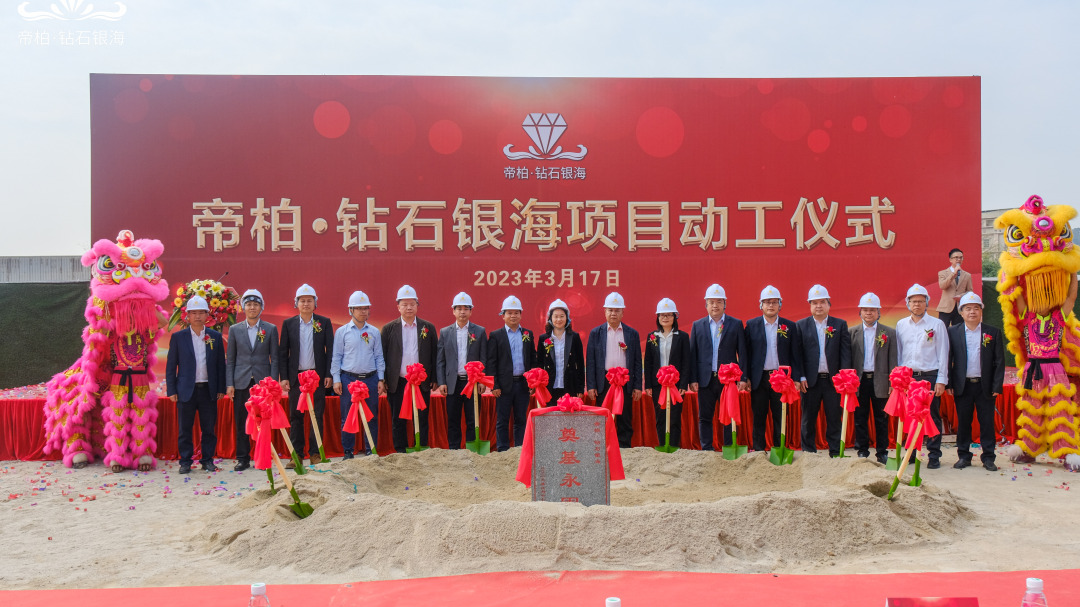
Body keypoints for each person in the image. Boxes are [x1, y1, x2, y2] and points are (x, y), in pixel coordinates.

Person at [165, 295, 226, 474]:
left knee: (209, 429)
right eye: (194, 313)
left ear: (207, 315)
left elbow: (220, 365)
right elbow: (171, 366)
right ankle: (185, 461)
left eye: (201, 312)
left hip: (208, 389)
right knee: (185, 429)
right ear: (187, 316)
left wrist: (221, 388)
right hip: (186, 390)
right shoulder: (178, 337)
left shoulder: (215, 336)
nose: (198, 316)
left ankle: (207, 460)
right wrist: (171, 390)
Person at [946, 293, 1005, 471]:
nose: (972, 312)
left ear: (981, 311)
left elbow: (999, 361)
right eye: (968, 308)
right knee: (964, 422)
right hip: (962, 385)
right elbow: (948, 359)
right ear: (961, 312)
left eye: (976, 308)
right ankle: (964, 456)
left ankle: (988, 457)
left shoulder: (992, 332)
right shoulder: (952, 332)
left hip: (985, 386)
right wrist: (949, 384)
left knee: (987, 423)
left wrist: (996, 385)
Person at [279, 284, 334, 466]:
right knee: (296, 416)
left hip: (317, 377)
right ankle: (297, 456)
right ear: (296, 303)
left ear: (315, 303)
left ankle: (315, 454)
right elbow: (283, 352)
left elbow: (330, 351)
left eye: (309, 300)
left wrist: (328, 374)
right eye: (302, 300)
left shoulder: (324, 322)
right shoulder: (289, 324)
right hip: (296, 377)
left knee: (316, 415)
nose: (306, 304)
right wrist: (284, 377)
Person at [896, 283, 950, 469]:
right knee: (911, 416)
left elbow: (943, 353)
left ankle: (934, 455)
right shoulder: (901, 325)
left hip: (930, 377)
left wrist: (941, 380)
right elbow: (899, 353)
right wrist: (900, 379)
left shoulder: (937, 324)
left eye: (920, 301)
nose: (917, 304)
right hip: (909, 379)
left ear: (927, 303)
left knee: (932, 416)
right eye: (913, 301)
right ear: (908, 303)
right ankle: (911, 453)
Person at [225, 289, 279, 471]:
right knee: (242, 421)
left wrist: (272, 384)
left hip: (262, 383)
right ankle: (242, 458)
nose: (252, 307)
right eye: (248, 304)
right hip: (241, 381)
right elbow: (231, 360)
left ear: (261, 307)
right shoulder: (234, 330)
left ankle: (263, 457)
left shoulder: (270, 329)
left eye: (256, 304)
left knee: (263, 421)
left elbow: (275, 359)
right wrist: (230, 383)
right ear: (243, 307)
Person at [689, 283, 747, 451]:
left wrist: (743, 377)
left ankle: (729, 447)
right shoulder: (698, 325)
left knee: (729, 416)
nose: (715, 305)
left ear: (725, 304)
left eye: (719, 302)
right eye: (711, 302)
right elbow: (693, 355)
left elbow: (742, 353)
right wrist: (693, 379)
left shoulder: (735, 324)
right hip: (705, 379)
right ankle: (706, 449)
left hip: (728, 380)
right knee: (705, 417)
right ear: (706, 304)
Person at [745, 286, 803, 452]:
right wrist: (746, 377)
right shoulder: (751, 325)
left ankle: (780, 450)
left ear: (780, 305)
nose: (770, 305)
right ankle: (758, 451)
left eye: (774, 302)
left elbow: (795, 355)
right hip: (759, 379)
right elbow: (746, 354)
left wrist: (796, 378)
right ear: (761, 305)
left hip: (782, 380)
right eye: (767, 302)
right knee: (759, 417)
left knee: (781, 416)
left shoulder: (789, 326)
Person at [381, 285, 438, 453]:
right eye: (404, 304)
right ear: (398, 307)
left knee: (421, 417)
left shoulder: (427, 327)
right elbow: (382, 356)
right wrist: (383, 379)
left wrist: (434, 378)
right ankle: (401, 451)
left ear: (417, 305)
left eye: (412, 304)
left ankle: (421, 448)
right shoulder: (388, 329)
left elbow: (435, 354)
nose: (409, 308)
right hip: (397, 382)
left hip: (421, 382)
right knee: (398, 418)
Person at [796, 285, 851, 456]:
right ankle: (808, 453)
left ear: (829, 304)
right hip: (809, 381)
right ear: (810, 305)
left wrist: (844, 378)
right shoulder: (801, 325)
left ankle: (835, 452)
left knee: (834, 418)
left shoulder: (839, 325)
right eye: (814, 303)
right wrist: (801, 376)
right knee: (808, 419)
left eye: (822, 302)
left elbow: (845, 354)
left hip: (833, 381)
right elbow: (797, 355)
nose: (818, 306)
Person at [331, 290, 385, 459]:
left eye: (366, 308)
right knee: (348, 417)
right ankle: (348, 451)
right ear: (351, 310)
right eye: (359, 308)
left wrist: (381, 378)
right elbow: (336, 357)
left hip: (370, 379)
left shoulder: (374, 332)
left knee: (371, 417)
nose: (363, 311)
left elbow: (379, 356)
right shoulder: (342, 332)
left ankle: (371, 450)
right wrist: (336, 379)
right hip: (348, 379)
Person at [586, 292, 643, 448]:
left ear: (623, 312)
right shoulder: (596, 333)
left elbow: (637, 362)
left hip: (625, 381)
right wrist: (591, 385)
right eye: (610, 310)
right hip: (604, 381)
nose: (613, 313)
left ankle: (624, 448)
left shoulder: (632, 334)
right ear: (604, 311)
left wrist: (638, 386)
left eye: (617, 310)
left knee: (625, 417)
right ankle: (603, 448)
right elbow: (590, 361)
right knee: (603, 416)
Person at [849, 292, 898, 464]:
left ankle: (882, 452)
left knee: (881, 419)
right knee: (860, 418)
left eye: (872, 310)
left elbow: (893, 359)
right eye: (865, 310)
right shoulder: (851, 332)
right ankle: (862, 450)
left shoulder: (889, 333)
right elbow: (848, 359)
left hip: (881, 381)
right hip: (859, 381)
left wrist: (892, 381)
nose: (868, 313)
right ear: (860, 312)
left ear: (878, 312)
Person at [436, 292, 488, 450]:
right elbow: (440, 360)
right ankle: (454, 451)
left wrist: (481, 381)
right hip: (453, 383)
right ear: (453, 311)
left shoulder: (479, 331)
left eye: (466, 309)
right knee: (453, 420)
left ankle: (472, 451)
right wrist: (441, 382)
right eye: (459, 308)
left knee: (473, 419)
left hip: (472, 383)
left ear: (471, 311)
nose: (462, 312)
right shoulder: (445, 332)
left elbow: (483, 358)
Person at [487, 295, 536, 451]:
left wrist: (533, 382)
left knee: (521, 419)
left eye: (516, 313)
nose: (513, 316)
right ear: (503, 315)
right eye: (509, 313)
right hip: (503, 386)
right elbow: (491, 362)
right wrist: (494, 385)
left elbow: (532, 359)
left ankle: (519, 449)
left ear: (521, 314)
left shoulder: (527, 334)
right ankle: (502, 449)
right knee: (502, 420)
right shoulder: (496, 335)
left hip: (523, 384)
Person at [644, 298, 692, 447]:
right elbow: (648, 362)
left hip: (676, 385)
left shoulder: (682, 337)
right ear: (658, 317)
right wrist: (648, 385)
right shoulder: (652, 336)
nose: (665, 318)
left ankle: (674, 446)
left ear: (675, 317)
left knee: (675, 417)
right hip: (658, 384)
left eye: (669, 315)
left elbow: (686, 362)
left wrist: (683, 384)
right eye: (662, 315)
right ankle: (663, 446)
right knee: (660, 417)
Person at [535, 298, 585, 405]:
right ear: (550, 318)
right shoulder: (544, 338)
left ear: (567, 318)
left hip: (570, 386)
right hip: (549, 387)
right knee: (550, 414)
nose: (559, 319)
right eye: (556, 316)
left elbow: (580, 364)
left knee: (569, 414)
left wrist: (580, 388)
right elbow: (539, 364)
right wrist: (539, 385)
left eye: (562, 316)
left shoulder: (574, 337)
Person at [936, 248, 974, 327]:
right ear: (950, 259)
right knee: (942, 329)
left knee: (958, 331)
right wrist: (953, 273)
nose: (959, 259)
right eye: (956, 257)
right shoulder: (943, 273)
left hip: (960, 308)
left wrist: (961, 296)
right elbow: (942, 286)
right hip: (945, 307)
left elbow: (970, 291)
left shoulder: (967, 275)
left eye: (961, 257)